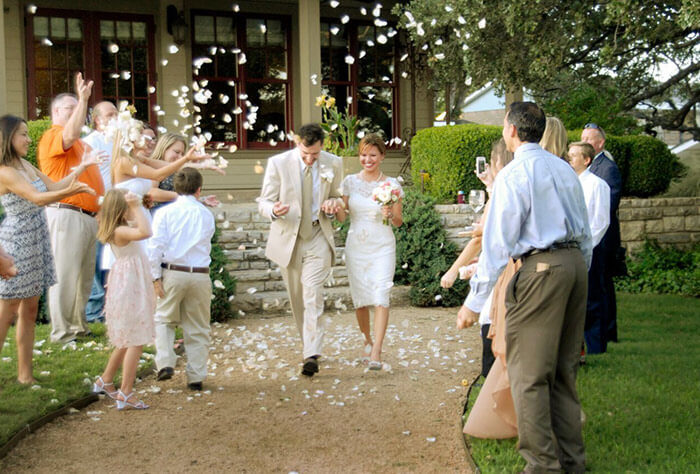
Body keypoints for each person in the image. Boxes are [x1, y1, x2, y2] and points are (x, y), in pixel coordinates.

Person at [458, 102, 592, 473]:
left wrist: (473, 304)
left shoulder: (515, 175)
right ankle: (571, 462)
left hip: (541, 270)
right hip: (575, 267)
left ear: (512, 130)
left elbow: (498, 245)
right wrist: (579, 276)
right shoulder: (565, 170)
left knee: (529, 375)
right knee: (564, 372)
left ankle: (543, 467)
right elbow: (585, 234)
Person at [0, 115, 96, 383]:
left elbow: (53, 186)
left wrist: (80, 169)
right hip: (16, 241)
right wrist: (72, 191)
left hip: (37, 238)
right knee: (7, 312)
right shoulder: (5, 171)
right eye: (23, 134)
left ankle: (25, 376)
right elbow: (39, 198)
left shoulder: (25, 165)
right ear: (8, 137)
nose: (28, 139)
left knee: (30, 310)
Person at [258, 123, 343, 377]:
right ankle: (308, 343)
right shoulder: (278, 163)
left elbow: (340, 197)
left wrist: (334, 202)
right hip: (289, 237)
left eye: (315, 155)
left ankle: (311, 354)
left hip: (318, 234)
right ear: (297, 143)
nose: (309, 159)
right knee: (297, 299)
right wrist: (273, 210)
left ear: (322, 147)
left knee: (312, 294)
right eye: (305, 154)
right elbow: (264, 201)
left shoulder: (334, 163)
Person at [38, 73, 105, 343]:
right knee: (65, 274)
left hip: (88, 216)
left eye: (79, 108)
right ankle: (61, 331)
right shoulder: (53, 136)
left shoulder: (83, 144)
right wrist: (83, 99)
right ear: (56, 111)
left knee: (84, 276)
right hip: (66, 211)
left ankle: (79, 326)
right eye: (70, 106)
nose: (77, 110)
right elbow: (71, 132)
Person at [441, 139, 513, 380]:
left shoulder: (500, 197)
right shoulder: (507, 189)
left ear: (497, 162)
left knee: (489, 319)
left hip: (503, 270)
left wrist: (453, 271)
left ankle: (490, 378)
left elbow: (480, 241)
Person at [336, 134, 403, 369]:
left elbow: (398, 222)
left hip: (383, 245)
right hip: (356, 245)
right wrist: (334, 206)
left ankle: (377, 350)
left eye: (373, 155)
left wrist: (390, 213)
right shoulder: (349, 182)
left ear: (382, 156)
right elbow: (343, 217)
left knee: (381, 297)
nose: (368, 159)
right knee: (361, 300)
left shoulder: (392, 185)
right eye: (364, 155)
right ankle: (367, 340)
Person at [147, 168, 215, 391]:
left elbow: (156, 246)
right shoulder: (206, 214)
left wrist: (155, 276)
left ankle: (166, 362)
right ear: (199, 189)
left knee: (164, 319)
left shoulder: (165, 214)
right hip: (200, 274)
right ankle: (196, 376)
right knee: (197, 325)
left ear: (175, 188)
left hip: (173, 271)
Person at [93, 189, 155, 409]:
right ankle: (126, 392)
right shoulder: (121, 231)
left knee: (125, 337)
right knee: (136, 339)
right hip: (130, 285)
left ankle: (106, 379)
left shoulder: (119, 228)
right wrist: (137, 207)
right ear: (121, 210)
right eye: (129, 207)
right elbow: (147, 232)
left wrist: (139, 206)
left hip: (129, 281)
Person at [568, 141, 611, 355]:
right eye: (570, 154)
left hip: (592, 248)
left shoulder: (597, 185)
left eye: (575, 155)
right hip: (574, 249)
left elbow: (601, 221)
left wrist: (586, 246)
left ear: (586, 160)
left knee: (593, 299)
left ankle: (596, 346)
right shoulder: (570, 183)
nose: (570, 158)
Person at [582, 123, 622, 343]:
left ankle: (606, 332)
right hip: (594, 236)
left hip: (603, 237)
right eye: (583, 138)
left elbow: (608, 205)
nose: (585, 142)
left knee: (603, 285)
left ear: (600, 143)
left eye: (589, 139)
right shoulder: (590, 168)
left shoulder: (607, 168)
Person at [83, 101, 118, 323]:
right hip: (98, 210)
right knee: (96, 261)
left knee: (113, 261)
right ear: (97, 119)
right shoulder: (88, 143)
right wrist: (95, 207)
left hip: (119, 210)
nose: (114, 117)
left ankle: (112, 307)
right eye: (109, 114)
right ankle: (93, 312)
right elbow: (83, 177)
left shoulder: (120, 142)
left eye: (116, 113)